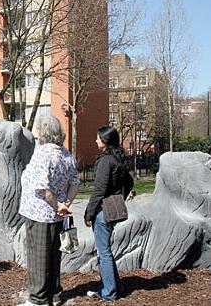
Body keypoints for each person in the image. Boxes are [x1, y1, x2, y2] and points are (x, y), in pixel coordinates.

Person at [18, 113, 80, 306]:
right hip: (57, 216)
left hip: (40, 213)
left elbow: (43, 188)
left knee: (38, 256)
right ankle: (54, 294)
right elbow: (75, 183)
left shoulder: (43, 153)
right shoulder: (65, 153)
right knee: (54, 256)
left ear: (43, 132)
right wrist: (65, 205)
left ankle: (38, 300)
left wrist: (57, 205)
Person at [84, 126, 128, 301]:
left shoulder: (105, 161)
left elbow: (99, 190)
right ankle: (116, 286)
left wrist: (89, 213)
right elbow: (129, 182)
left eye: (97, 138)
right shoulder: (118, 159)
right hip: (111, 211)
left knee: (104, 253)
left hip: (103, 212)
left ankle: (108, 292)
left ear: (105, 141)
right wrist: (119, 198)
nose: (95, 141)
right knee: (106, 251)